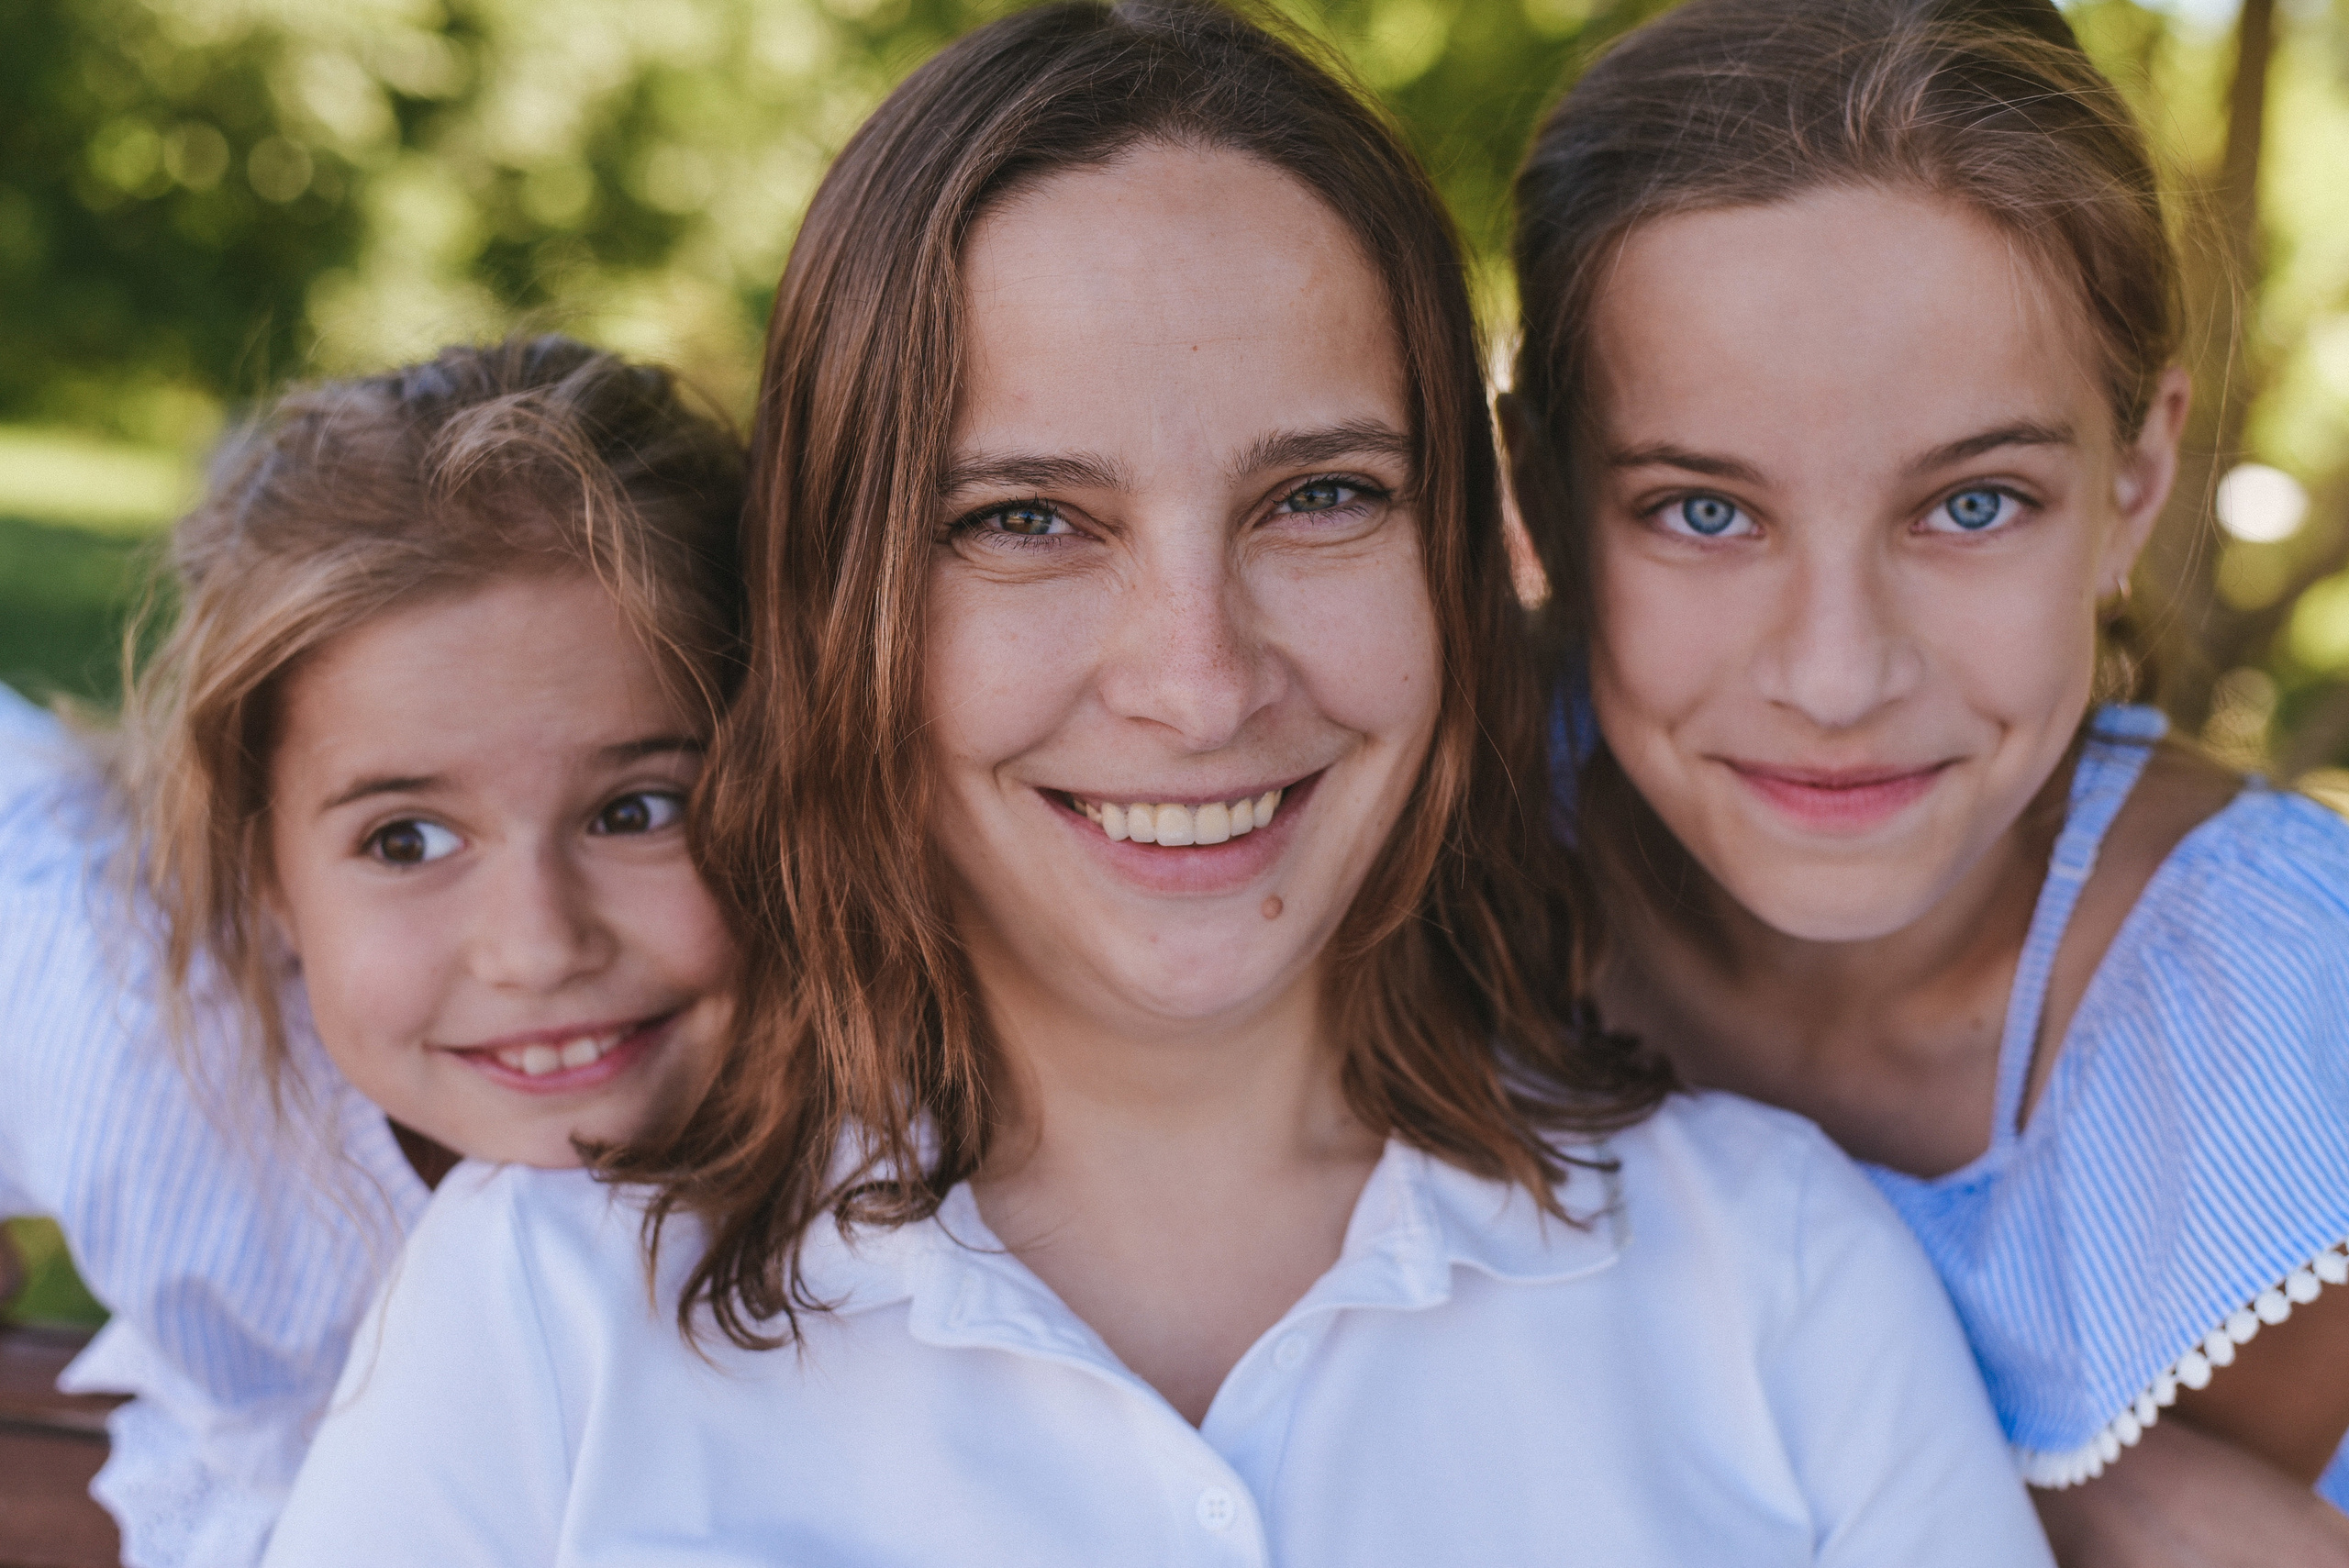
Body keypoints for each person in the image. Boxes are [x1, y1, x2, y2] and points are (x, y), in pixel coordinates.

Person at [265, 5, 2053, 1563]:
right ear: (838, 594)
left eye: (1319, 498)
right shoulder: (548, 1319)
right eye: (1026, 519)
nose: (1197, 684)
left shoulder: (1776, 1279)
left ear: (1462, 551)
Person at [1504, 1, 2349, 1562]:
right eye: (1703, 511)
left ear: (2133, 481)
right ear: (1540, 495)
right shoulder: (1427, 847)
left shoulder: (2277, 1024)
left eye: (1973, 503)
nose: (1837, 678)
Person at [0, 335, 745, 1566]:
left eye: (636, 810)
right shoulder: (123, 1039)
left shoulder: (900, 1114)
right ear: (264, 877)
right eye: (407, 839)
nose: (535, 947)